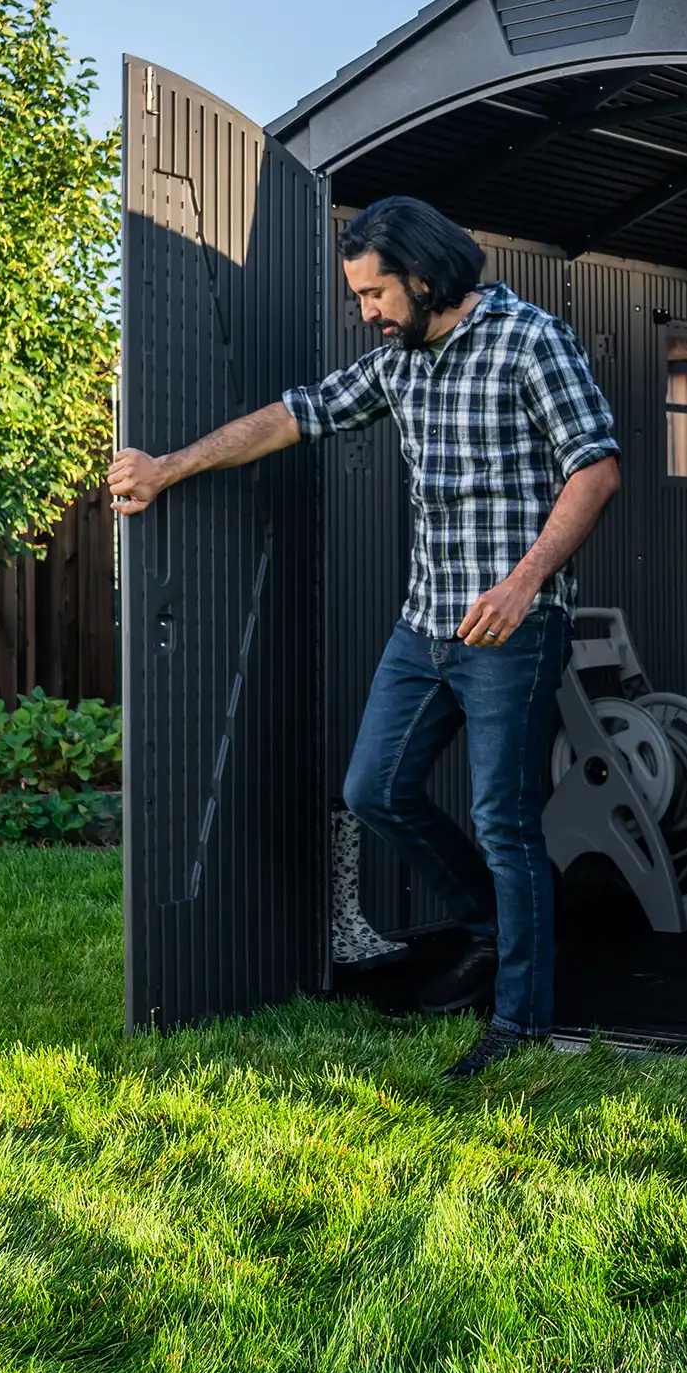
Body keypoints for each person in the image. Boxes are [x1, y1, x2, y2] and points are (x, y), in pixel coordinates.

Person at [107, 195, 621, 1079]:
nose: (367, 313)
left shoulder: (532, 341)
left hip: (513, 627)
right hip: (424, 626)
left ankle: (522, 1025)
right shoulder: (398, 363)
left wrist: (523, 583)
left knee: (505, 821)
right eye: (358, 299)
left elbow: (597, 466)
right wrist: (168, 467)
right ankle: (488, 926)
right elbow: (294, 415)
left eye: (375, 295)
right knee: (374, 788)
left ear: (424, 279)